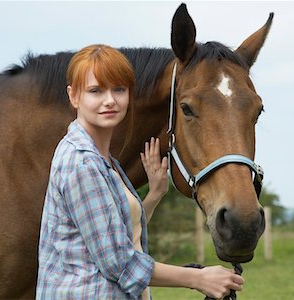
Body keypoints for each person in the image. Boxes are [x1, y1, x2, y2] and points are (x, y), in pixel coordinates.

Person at [36, 44, 244, 300]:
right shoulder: (82, 163)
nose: (109, 100)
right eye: (95, 91)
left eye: (119, 89)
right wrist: (199, 278)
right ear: (74, 96)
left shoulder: (103, 160)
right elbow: (120, 263)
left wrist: (154, 194)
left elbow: (113, 234)